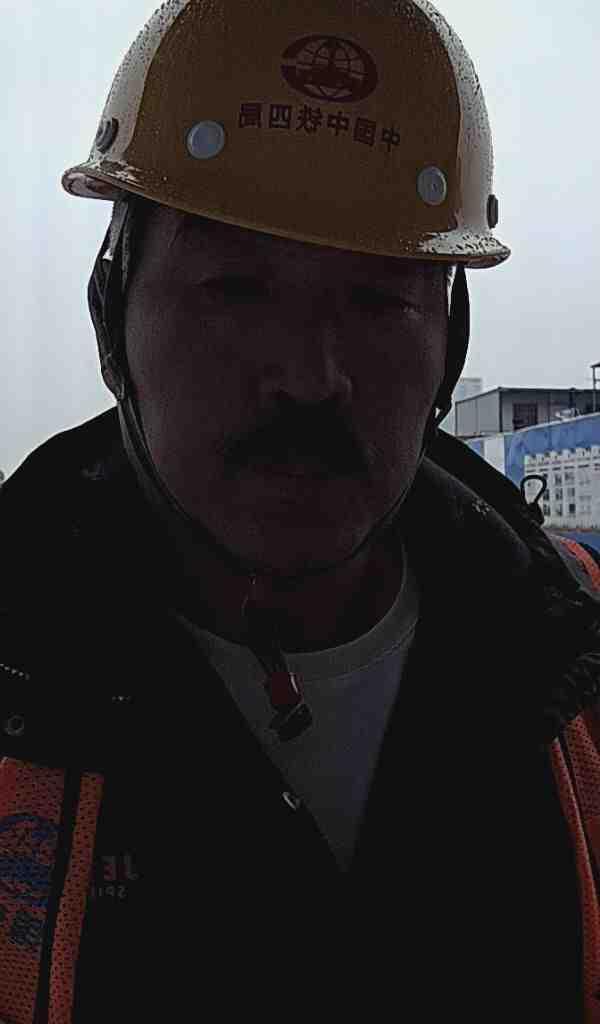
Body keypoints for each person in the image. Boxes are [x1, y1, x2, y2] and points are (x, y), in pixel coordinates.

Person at [1, 1, 599, 1021]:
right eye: (235, 288)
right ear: (114, 314)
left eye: (380, 301)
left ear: (446, 347)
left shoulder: (577, 653)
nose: (310, 377)